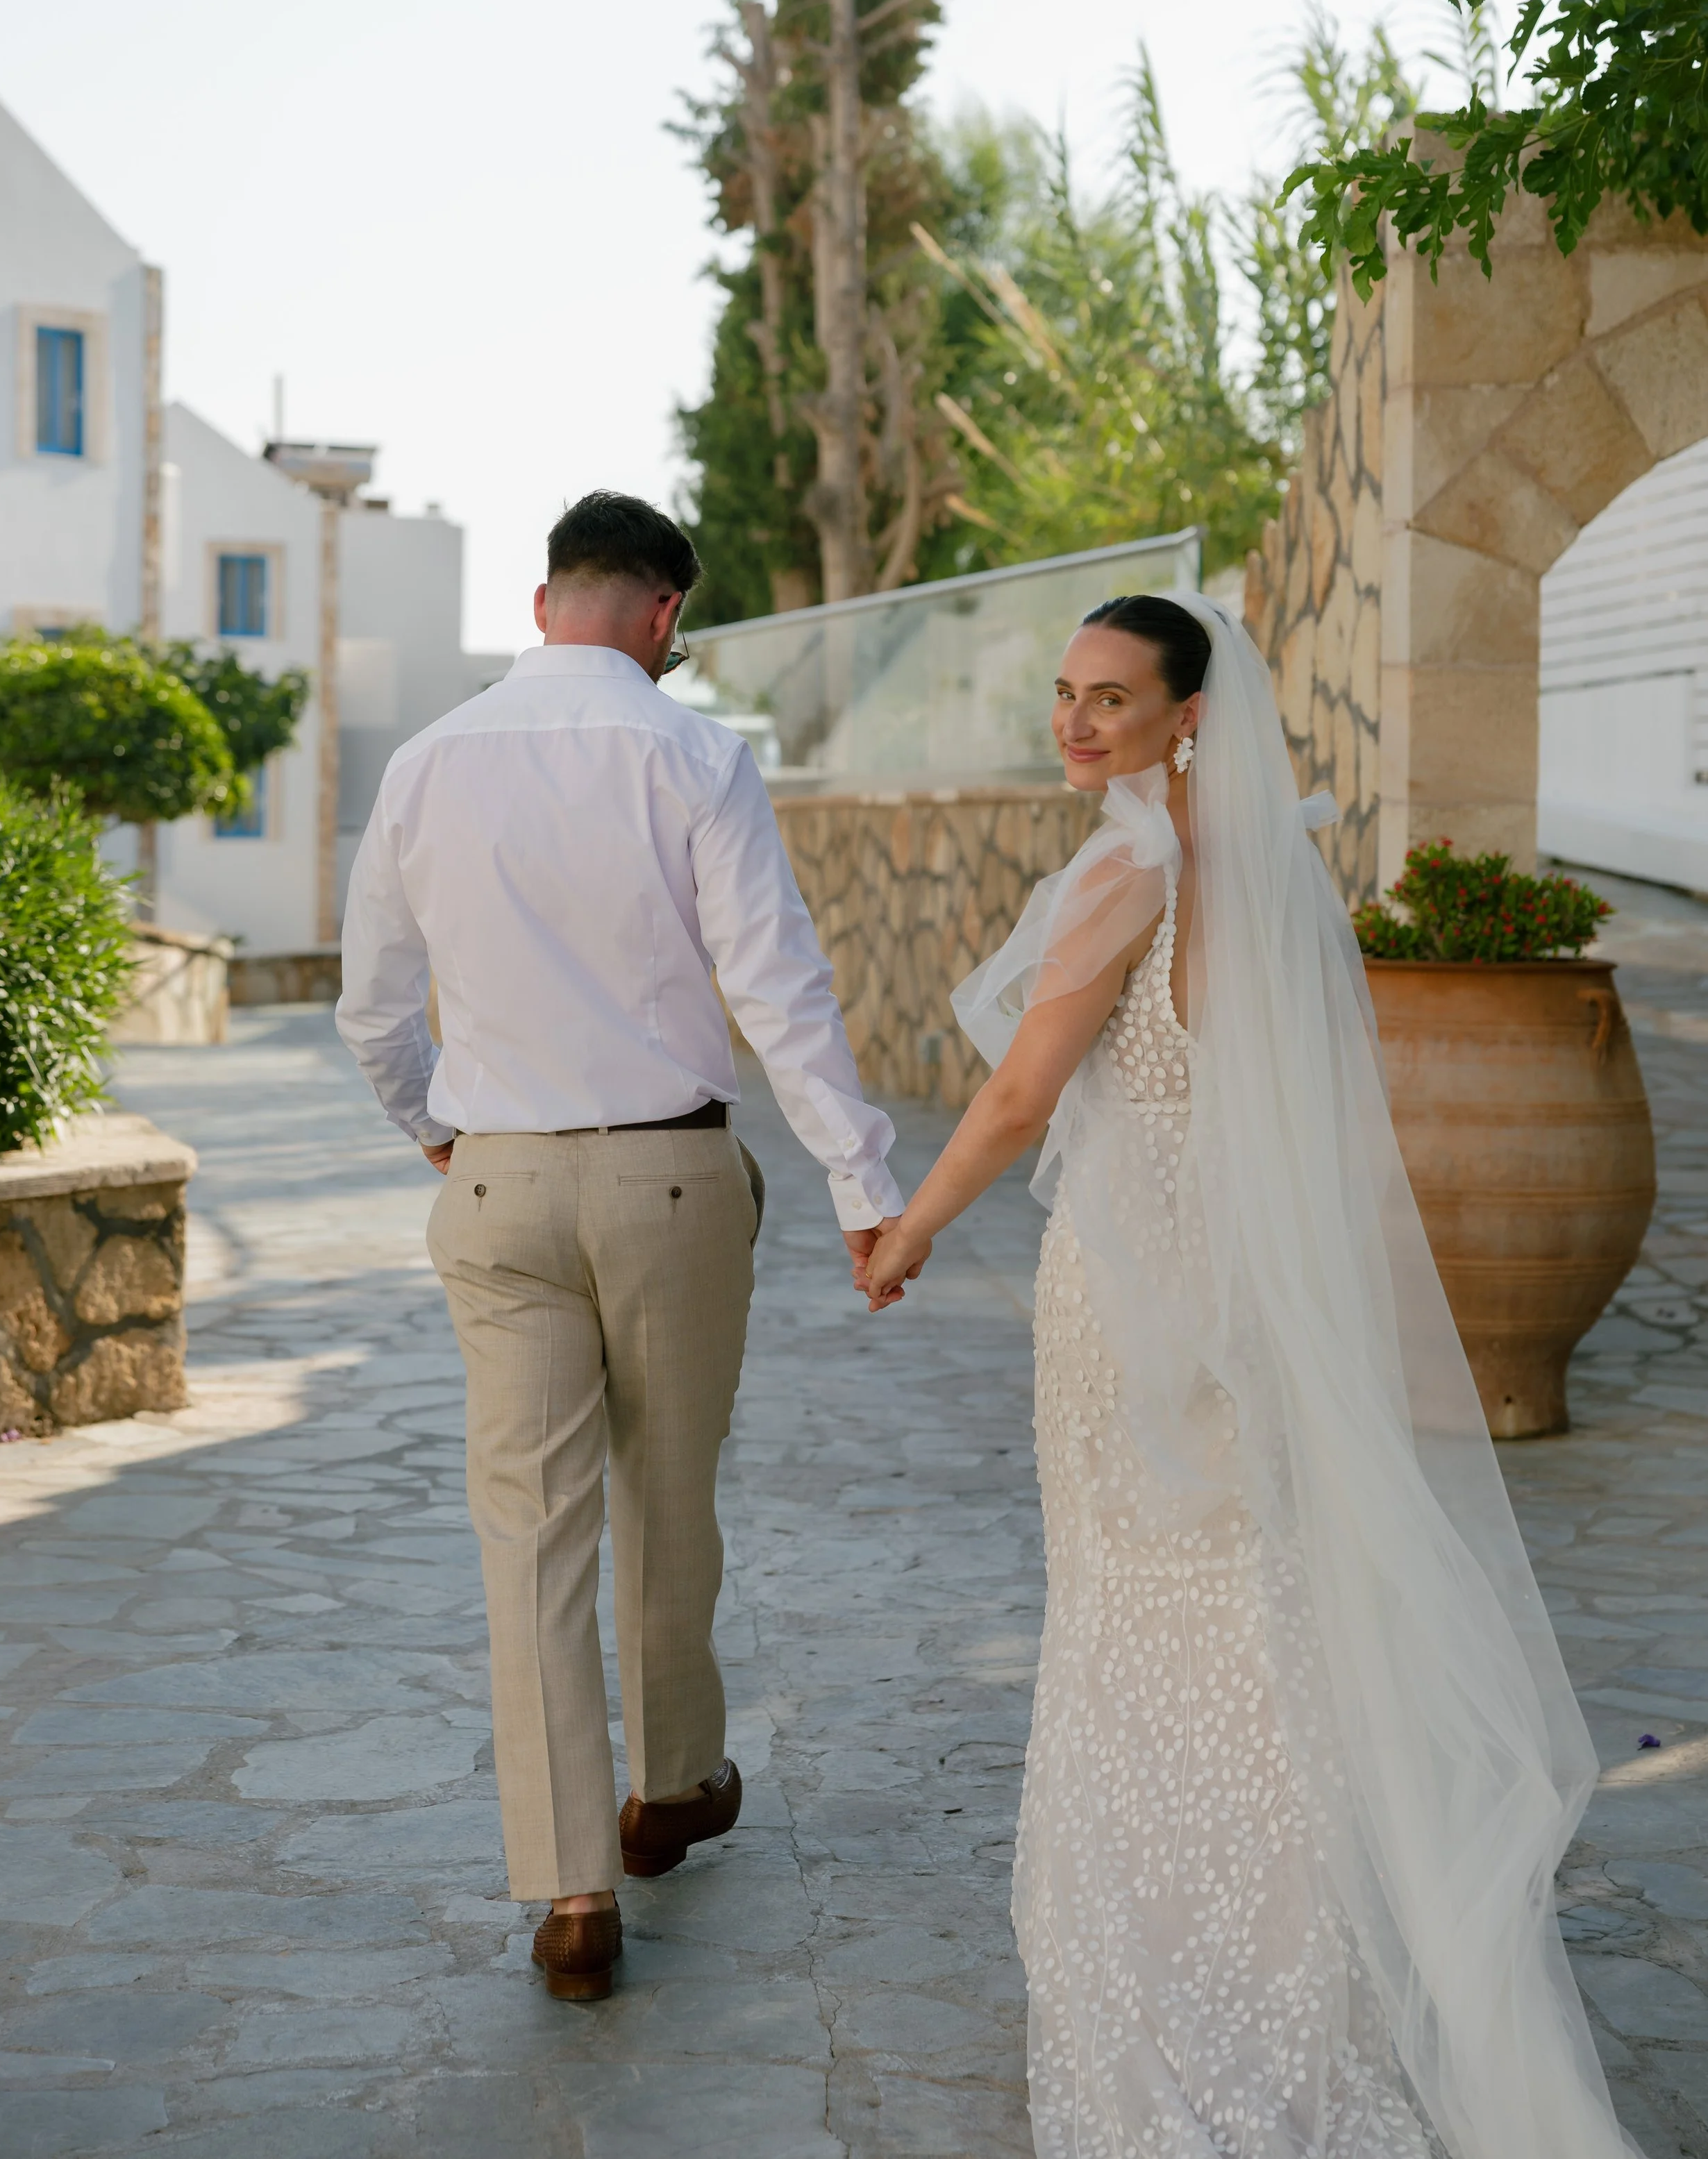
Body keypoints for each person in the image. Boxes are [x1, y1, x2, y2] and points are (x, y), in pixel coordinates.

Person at [862, 592, 1639, 2159]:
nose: (1076, 722)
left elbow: (1019, 1096)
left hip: (1129, 1303)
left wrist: (910, 1225)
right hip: (1244, 1304)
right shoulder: (1277, 877)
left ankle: (1168, 1977)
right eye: (1066, 693)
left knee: (1131, 1615)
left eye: (1111, 697)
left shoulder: (1127, 873)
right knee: (1255, 1619)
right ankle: (1289, 1979)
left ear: (1190, 716)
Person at [337, 491, 901, 2003]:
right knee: (667, 1491)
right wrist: (861, 1183)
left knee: (530, 1533)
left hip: (498, 1189)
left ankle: (574, 1895)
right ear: (664, 615)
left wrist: (441, 1132)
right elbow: (777, 987)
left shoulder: (425, 761)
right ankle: (670, 1788)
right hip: (669, 1179)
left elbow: (372, 1006)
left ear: (543, 605)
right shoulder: (695, 756)